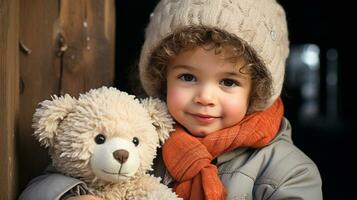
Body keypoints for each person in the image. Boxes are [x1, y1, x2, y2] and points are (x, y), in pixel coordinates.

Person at [19, 0, 323, 199]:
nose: (205, 97)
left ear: (255, 90)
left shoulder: (287, 170)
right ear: (162, 77)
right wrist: (69, 195)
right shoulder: (137, 134)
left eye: (228, 81)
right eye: (188, 77)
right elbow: (44, 183)